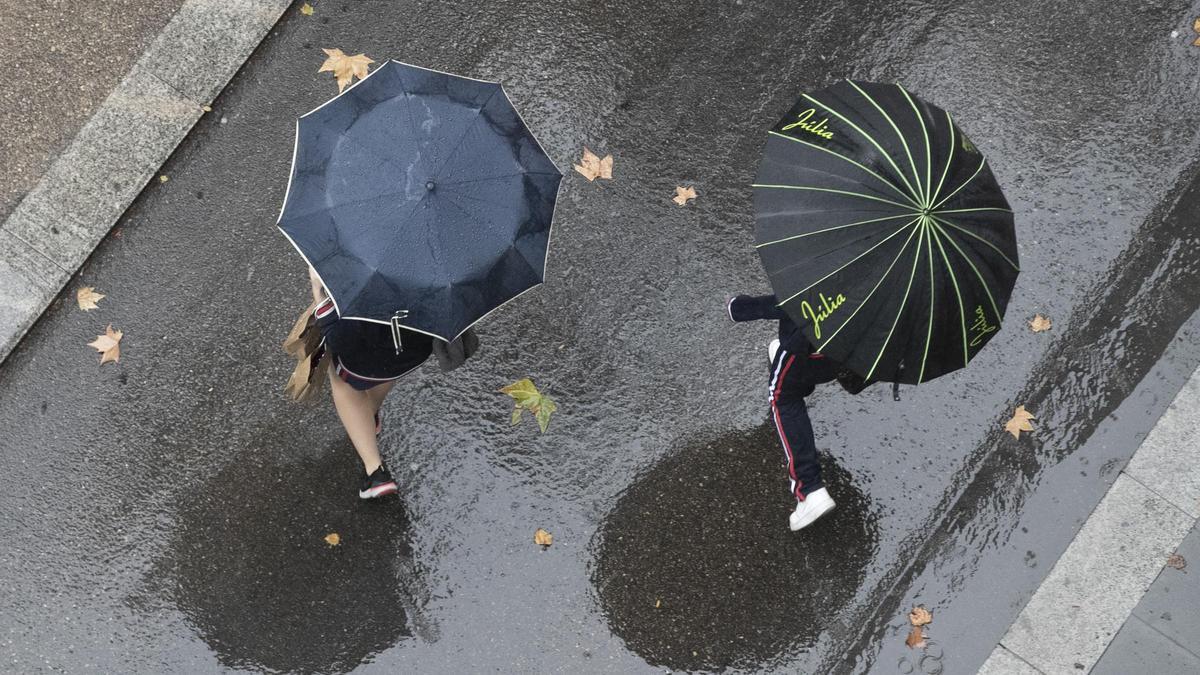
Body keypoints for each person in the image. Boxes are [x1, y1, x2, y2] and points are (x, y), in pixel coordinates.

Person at [308, 266, 433, 499]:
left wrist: (319, 293)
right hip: (415, 348)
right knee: (386, 367)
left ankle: (375, 472)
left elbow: (339, 339)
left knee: (342, 380)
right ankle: (369, 414)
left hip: (366, 353)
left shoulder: (364, 277)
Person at [727, 293, 839, 531]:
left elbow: (797, 302)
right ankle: (798, 375)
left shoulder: (844, 263)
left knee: (783, 396)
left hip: (813, 350)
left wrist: (743, 309)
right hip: (857, 354)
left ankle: (809, 490)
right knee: (798, 370)